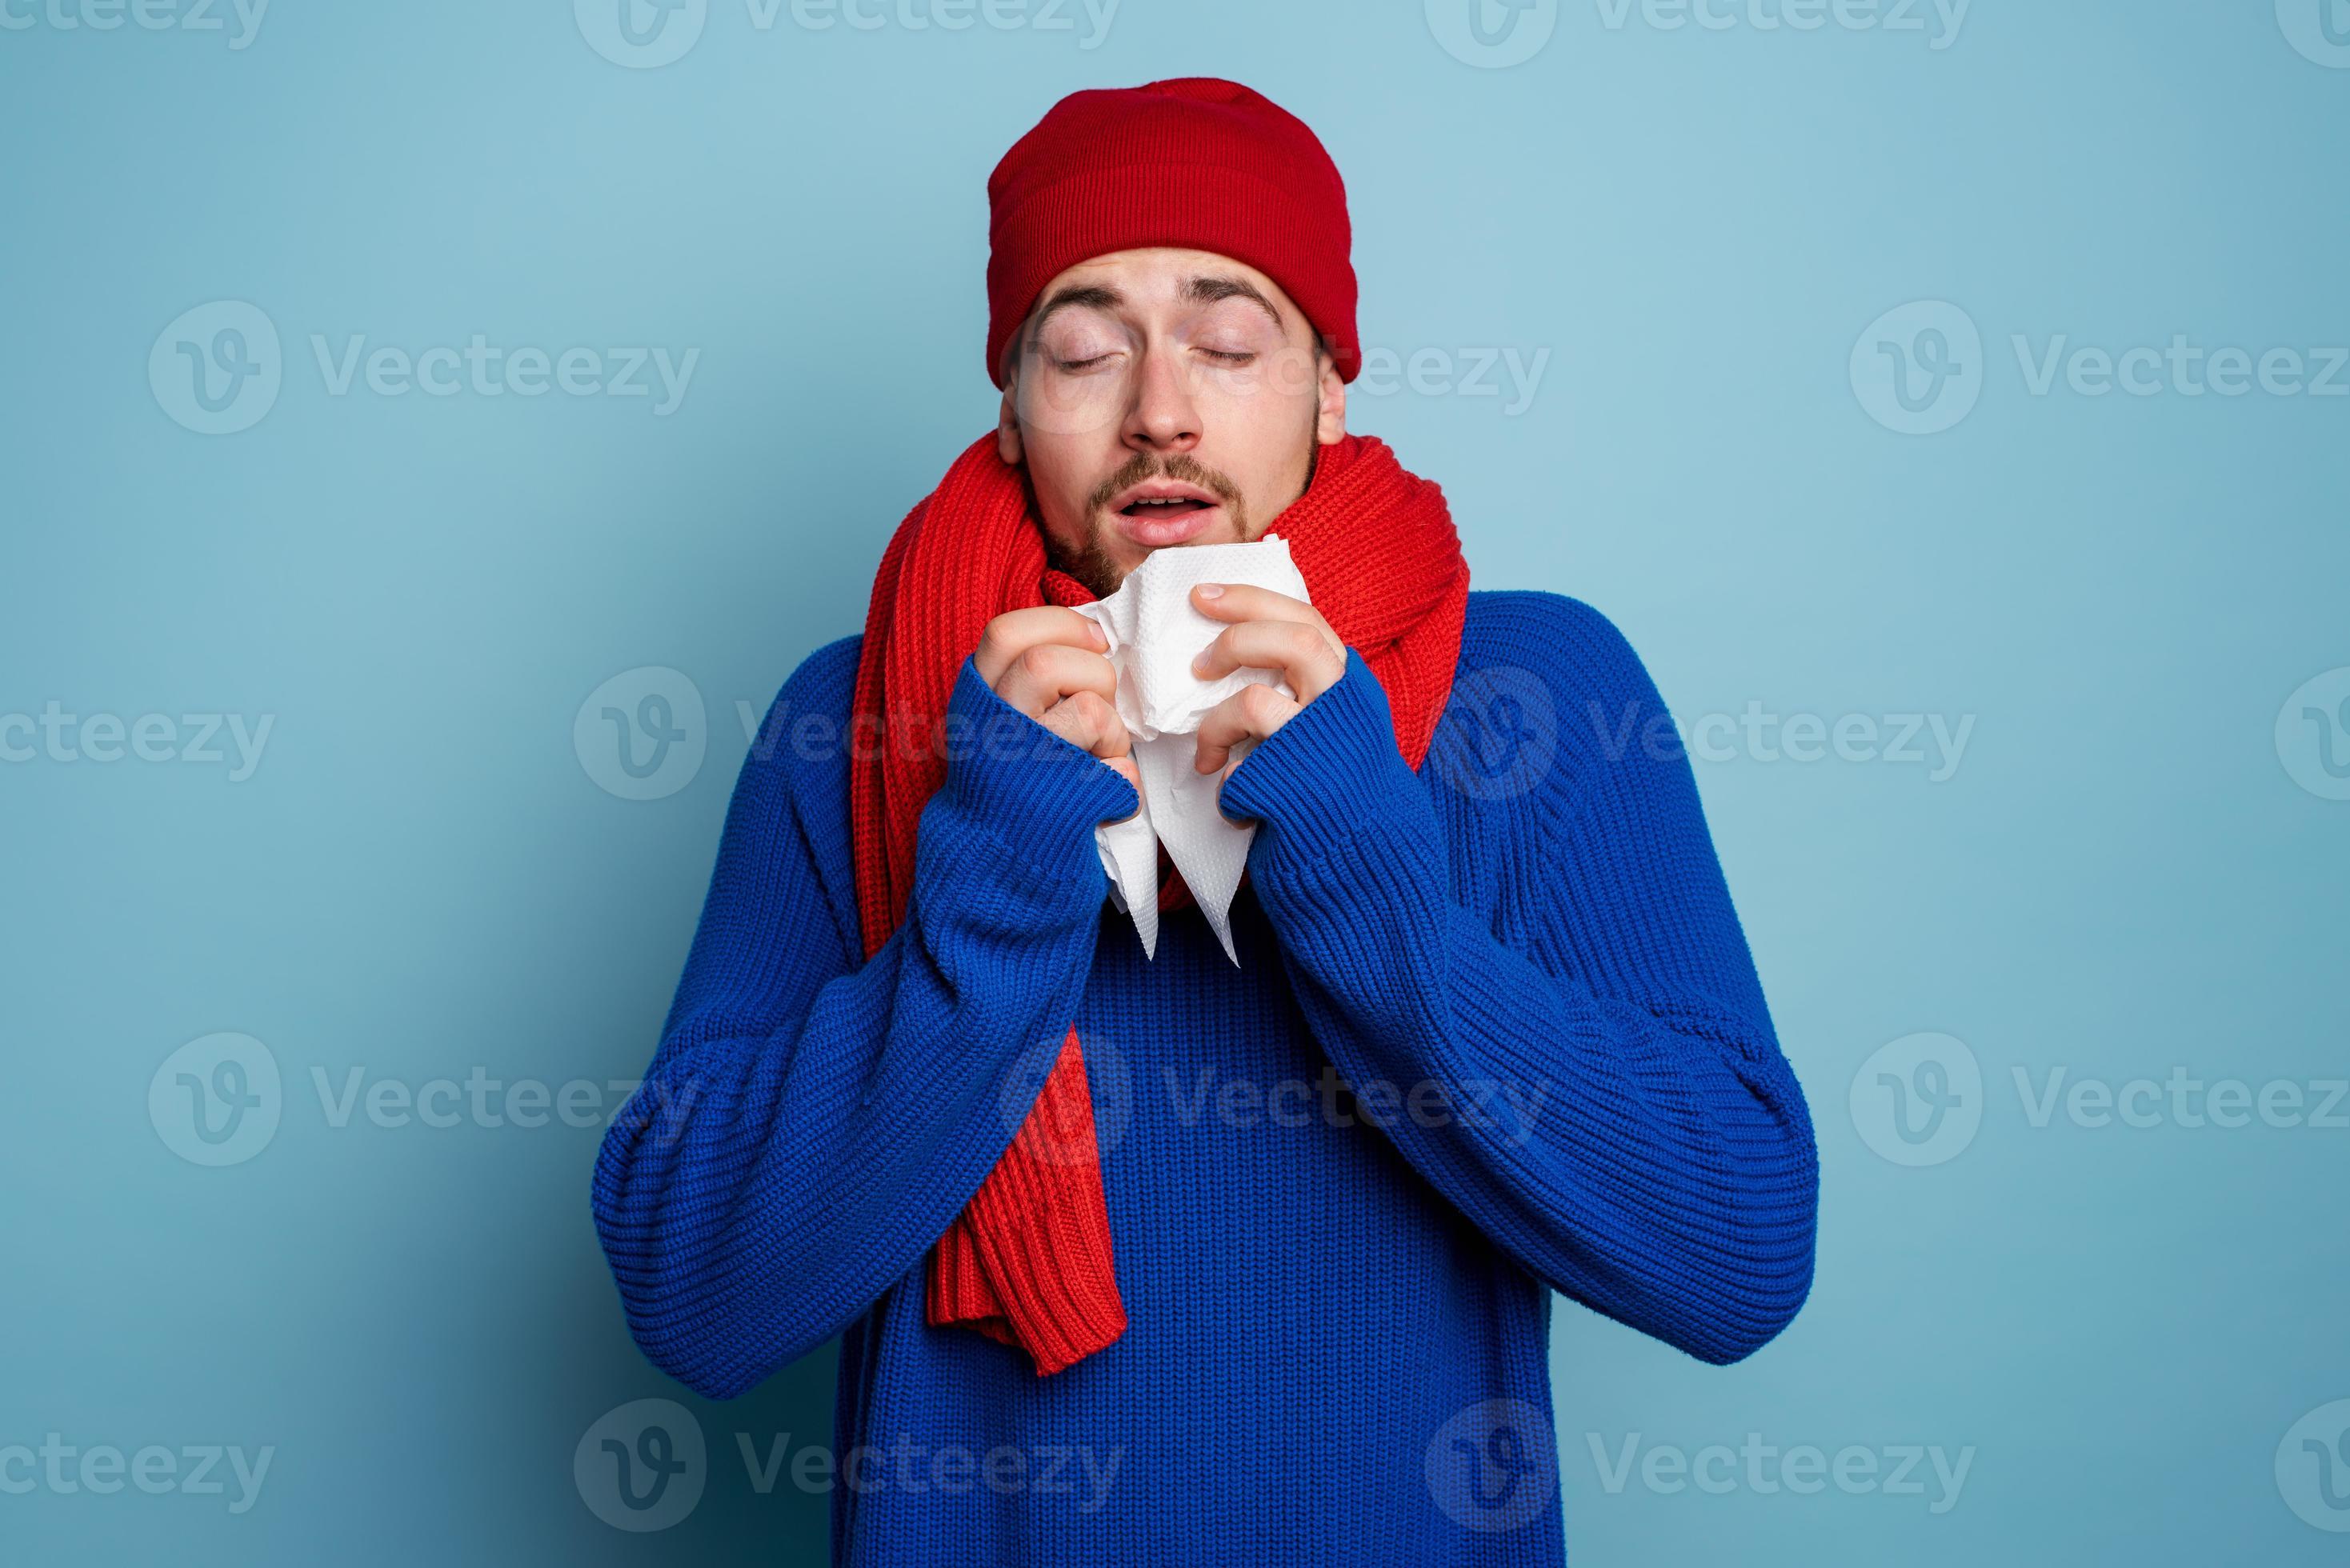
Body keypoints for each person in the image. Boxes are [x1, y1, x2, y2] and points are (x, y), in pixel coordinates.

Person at [591, 75, 1820, 1567]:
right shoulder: (856, 721)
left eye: (1229, 341)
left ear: (1325, 387)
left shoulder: (1535, 696)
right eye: (1084, 347)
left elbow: (1736, 1257)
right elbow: (692, 1296)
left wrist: (1368, 879)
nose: (1159, 408)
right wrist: (983, 894)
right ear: (1010, 408)